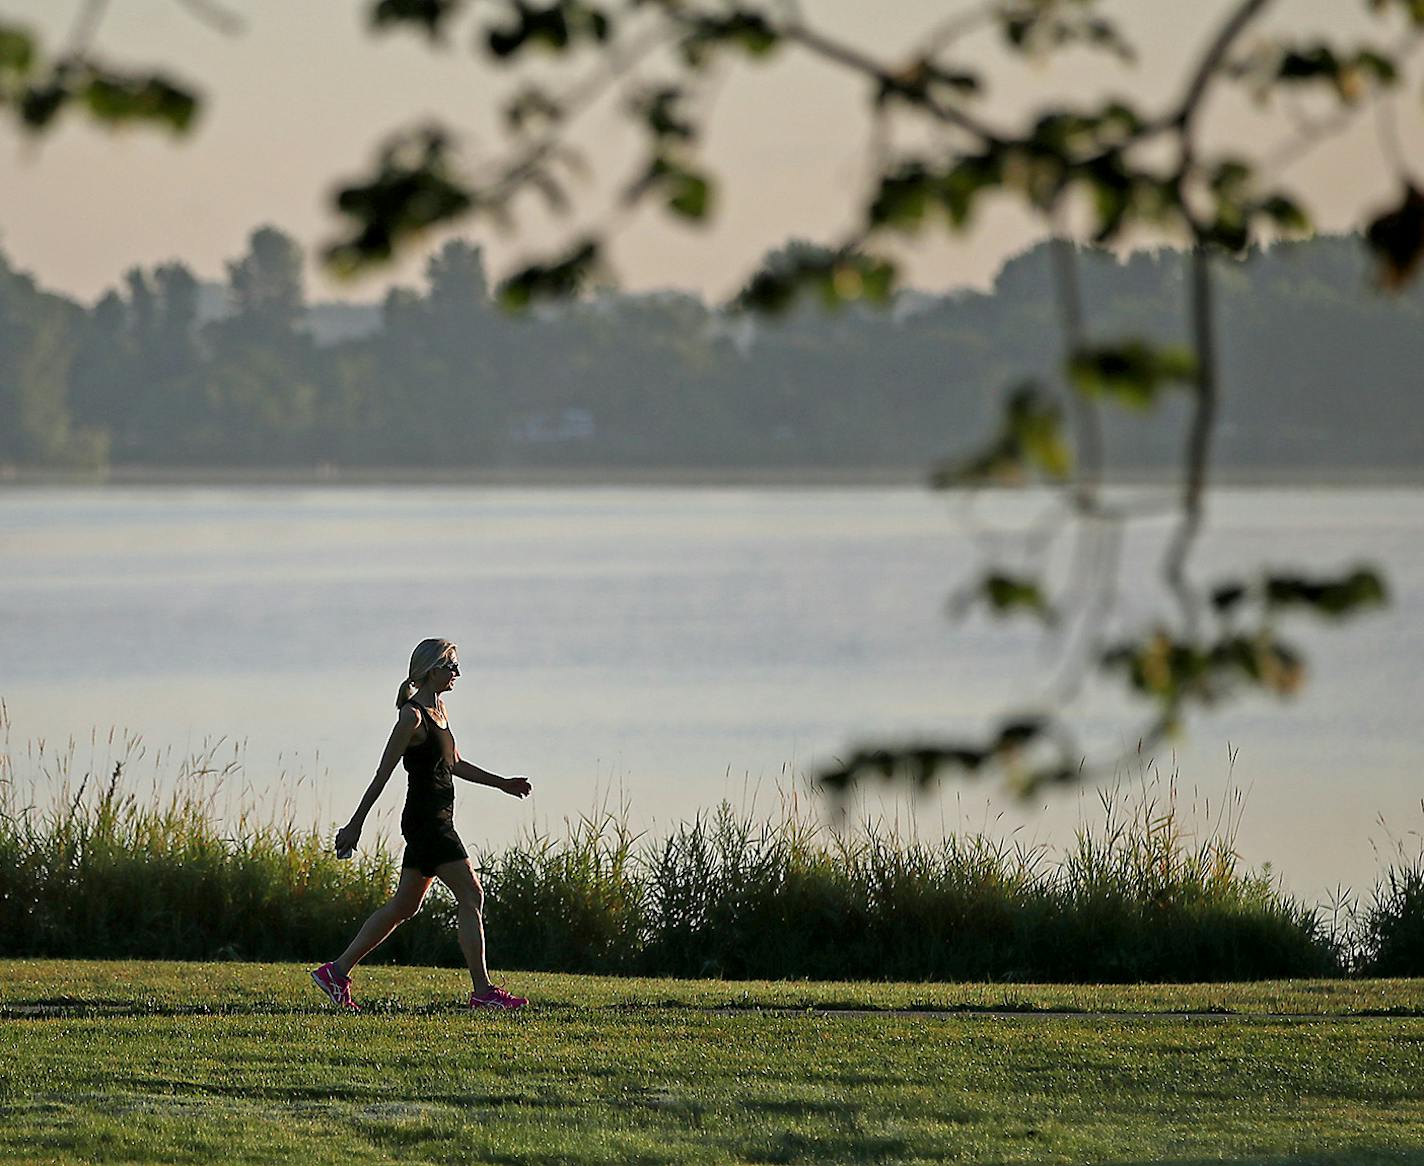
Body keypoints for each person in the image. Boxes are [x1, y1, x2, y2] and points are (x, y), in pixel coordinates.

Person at [311, 638, 533, 1011]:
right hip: (427, 824)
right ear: (432, 670)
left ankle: (336, 971)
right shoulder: (411, 717)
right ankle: (483, 992)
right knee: (472, 895)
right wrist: (355, 824)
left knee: (404, 907)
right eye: (452, 667)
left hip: (437, 820)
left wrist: (502, 784)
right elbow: (383, 773)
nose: (457, 674)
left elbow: (455, 763)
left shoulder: (440, 711)